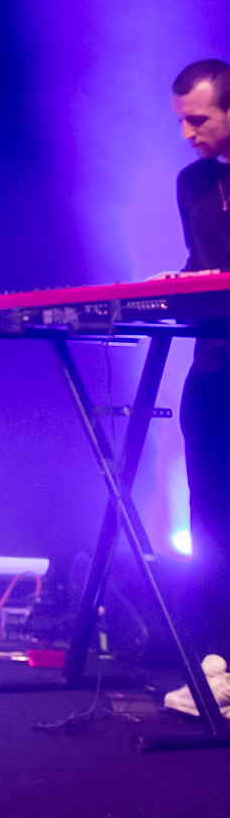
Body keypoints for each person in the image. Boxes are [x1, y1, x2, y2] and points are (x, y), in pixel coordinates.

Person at [165, 59, 230, 715]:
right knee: (208, 514)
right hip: (213, 366)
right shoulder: (191, 183)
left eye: (198, 119)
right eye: (179, 119)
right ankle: (214, 659)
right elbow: (202, 266)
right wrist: (172, 288)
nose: (185, 133)